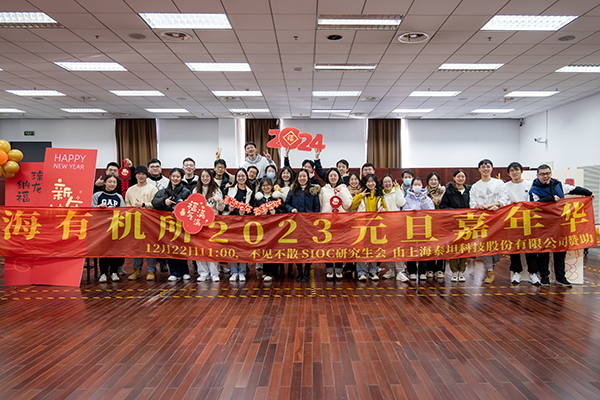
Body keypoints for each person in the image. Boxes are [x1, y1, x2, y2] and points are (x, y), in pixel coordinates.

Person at [528, 164, 593, 287]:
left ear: (551, 173)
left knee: (560, 251)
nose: (545, 176)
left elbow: (573, 189)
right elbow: (534, 205)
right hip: (543, 226)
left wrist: (589, 193)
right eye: (542, 174)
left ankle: (560, 277)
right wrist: (550, 198)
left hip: (559, 224)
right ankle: (544, 276)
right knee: (544, 252)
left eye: (547, 173)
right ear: (537, 175)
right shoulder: (534, 189)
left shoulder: (558, 184)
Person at [469, 159, 509, 284]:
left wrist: (494, 205)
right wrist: (479, 207)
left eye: (488, 166)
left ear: (492, 168)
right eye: (483, 167)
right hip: (483, 221)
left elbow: (504, 199)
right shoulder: (475, 186)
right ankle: (490, 270)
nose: (485, 169)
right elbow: (472, 204)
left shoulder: (499, 183)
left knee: (498, 246)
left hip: (498, 219)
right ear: (479, 169)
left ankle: (493, 263)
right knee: (485, 245)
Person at [152, 168, 192, 282]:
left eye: (178, 176)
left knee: (182, 248)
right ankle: (174, 272)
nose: (175, 178)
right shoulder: (163, 191)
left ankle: (185, 271)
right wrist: (164, 201)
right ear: (169, 177)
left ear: (181, 178)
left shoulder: (186, 191)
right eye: (173, 176)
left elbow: (190, 206)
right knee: (170, 247)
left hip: (181, 226)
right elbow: (154, 202)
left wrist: (180, 209)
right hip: (167, 226)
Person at [285, 169, 321, 281]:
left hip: (309, 225)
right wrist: (291, 209)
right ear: (297, 178)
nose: (302, 178)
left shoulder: (313, 190)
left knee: (308, 248)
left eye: (304, 176)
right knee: (298, 248)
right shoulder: (293, 190)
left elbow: (317, 207)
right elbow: (286, 204)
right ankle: (299, 271)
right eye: (300, 176)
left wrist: (313, 219)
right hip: (296, 225)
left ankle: (307, 271)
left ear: (308, 177)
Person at [125, 166, 159, 281]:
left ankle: (151, 270)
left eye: (143, 174)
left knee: (150, 246)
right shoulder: (130, 190)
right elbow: (127, 205)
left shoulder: (152, 189)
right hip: (134, 222)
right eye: (138, 174)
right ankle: (136, 270)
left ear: (146, 175)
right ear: (135, 175)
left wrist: (144, 205)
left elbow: (155, 204)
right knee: (136, 246)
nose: (141, 176)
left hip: (149, 222)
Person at [351, 174, 387, 281]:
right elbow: (353, 206)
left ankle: (373, 271)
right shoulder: (360, 193)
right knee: (361, 249)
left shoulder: (379, 195)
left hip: (376, 226)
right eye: (368, 182)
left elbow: (385, 208)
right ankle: (361, 272)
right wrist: (360, 195)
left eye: (372, 181)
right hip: (362, 226)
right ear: (365, 183)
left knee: (374, 249)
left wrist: (383, 210)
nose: (370, 184)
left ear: (376, 182)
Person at [319, 168, 353, 279]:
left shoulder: (344, 189)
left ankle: (338, 269)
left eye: (335, 175)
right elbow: (320, 206)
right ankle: (329, 269)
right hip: (327, 223)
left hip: (341, 222)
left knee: (340, 246)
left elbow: (348, 205)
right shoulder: (323, 190)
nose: (333, 177)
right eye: (331, 175)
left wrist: (341, 192)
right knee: (328, 246)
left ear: (339, 177)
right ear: (327, 177)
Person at [92, 174, 125, 283]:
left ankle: (114, 272)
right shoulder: (97, 195)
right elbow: (90, 209)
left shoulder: (118, 197)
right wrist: (98, 207)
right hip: (101, 228)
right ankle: (103, 273)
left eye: (114, 182)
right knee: (103, 251)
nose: (112, 184)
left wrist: (115, 210)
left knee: (115, 250)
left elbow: (124, 211)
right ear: (105, 182)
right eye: (110, 182)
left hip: (115, 227)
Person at [439, 169, 471, 282]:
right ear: (454, 178)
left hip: (467, 224)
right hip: (453, 224)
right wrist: (455, 212)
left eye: (462, 177)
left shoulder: (470, 190)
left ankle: (462, 271)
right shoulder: (449, 191)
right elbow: (443, 206)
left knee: (465, 248)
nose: (460, 179)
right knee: (453, 247)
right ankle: (454, 271)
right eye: (458, 176)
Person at [194, 169, 225, 282]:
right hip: (199, 225)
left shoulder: (216, 190)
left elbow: (221, 209)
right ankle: (203, 273)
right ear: (200, 178)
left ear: (211, 178)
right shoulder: (195, 190)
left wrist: (219, 201)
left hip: (212, 225)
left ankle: (214, 273)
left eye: (207, 176)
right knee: (199, 249)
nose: (205, 178)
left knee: (212, 249)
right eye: (203, 176)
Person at [504, 162, 532, 284]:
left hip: (528, 220)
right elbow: (503, 201)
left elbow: (533, 200)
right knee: (514, 247)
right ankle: (516, 272)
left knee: (530, 247)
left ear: (521, 171)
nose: (514, 172)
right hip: (512, 221)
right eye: (512, 170)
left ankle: (533, 272)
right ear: (508, 173)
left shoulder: (529, 184)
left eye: (516, 170)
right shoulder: (505, 186)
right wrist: (510, 203)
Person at [253, 177, 286, 281]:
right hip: (263, 229)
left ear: (272, 186)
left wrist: (276, 212)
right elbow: (253, 211)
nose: (266, 187)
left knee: (273, 249)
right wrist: (259, 213)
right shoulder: (258, 198)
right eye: (263, 185)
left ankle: (272, 273)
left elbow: (284, 211)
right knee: (264, 249)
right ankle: (266, 271)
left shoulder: (277, 198)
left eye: (268, 185)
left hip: (275, 229)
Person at [402, 177, 435, 281]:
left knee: (423, 249)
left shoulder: (427, 198)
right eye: (415, 184)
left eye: (419, 184)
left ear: (422, 185)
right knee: (411, 249)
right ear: (412, 186)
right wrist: (412, 211)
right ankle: (412, 271)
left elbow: (432, 211)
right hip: (410, 227)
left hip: (424, 228)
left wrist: (424, 203)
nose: (417, 186)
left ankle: (422, 272)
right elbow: (403, 211)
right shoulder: (407, 198)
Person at [226, 168, 255, 282]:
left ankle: (242, 271)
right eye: (239, 176)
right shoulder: (230, 190)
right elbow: (224, 204)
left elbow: (252, 208)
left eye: (243, 176)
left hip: (244, 224)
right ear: (236, 178)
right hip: (232, 223)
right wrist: (229, 208)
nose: (241, 178)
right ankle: (233, 271)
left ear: (246, 177)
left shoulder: (250, 191)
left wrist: (246, 212)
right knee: (232, 247)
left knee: (243, 248)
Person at [380, 174, 408, 281]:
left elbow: (401, 203)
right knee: (387, 249)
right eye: (385, 182)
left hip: (397, 225)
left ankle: (400, 271)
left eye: (389, 181)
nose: (387, 184)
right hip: (385, 226)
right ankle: (390, 270)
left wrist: (397, 189)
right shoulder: (380, 195)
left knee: (398, 248)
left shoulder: (397, 191)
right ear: (382, 184)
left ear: (392, 182)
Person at [425, 172, 446, 280]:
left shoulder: (443, 191)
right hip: (428, 223)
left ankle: (440, 269)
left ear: (439, 181)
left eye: (435, 180)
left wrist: (439, 199)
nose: (433, 182)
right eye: (431, 180)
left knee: (441, 245)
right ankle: (430, 269)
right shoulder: (424, 192)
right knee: (430, 245)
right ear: (428, 181)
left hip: (441, 222)